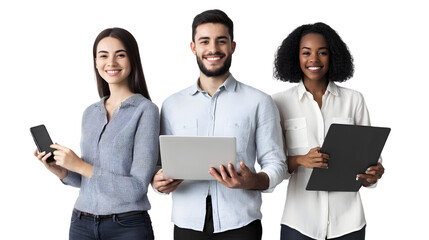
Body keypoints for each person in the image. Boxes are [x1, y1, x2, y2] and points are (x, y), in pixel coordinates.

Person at [152, 9, 286, 240]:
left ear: (232, 46)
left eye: (221, 41)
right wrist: (157, 182)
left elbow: (276, 163)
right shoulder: (172, 104)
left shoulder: (259, 101)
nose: (213, 49)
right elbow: (158, 164)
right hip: (187, 226)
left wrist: (254, 180)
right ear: (193, 47)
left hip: (241, 224)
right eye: (204, 41)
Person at [34, 27, 159, 240]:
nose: (111, 62)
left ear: (133, 59)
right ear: (95, 62)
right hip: (81, 223)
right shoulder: (90, 113)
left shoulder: (146, 110)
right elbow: (87, 180)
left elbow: (137, 187)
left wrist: (80, 165)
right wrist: (63, 171)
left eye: (120, 54)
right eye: (103, 55)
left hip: (127, 227)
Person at [272, 22, 385, 240]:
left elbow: (370, 158)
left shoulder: (354, 100)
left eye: (322, 52)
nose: (314, 59)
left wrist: (372, 175)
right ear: (295, 57)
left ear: (332, 56)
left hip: (348, 222)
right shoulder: (279, 103)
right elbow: (274, 165)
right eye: (306, 53)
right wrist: (300, 160)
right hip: (300, 222)